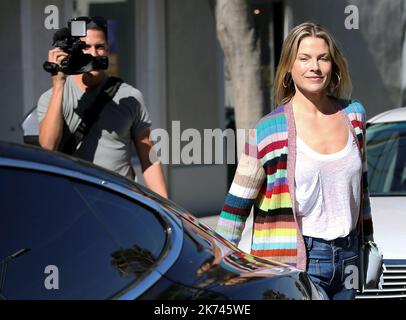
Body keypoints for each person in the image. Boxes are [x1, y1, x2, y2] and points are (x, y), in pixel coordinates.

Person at [216, 22, 374, 300]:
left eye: (322, 58)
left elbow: (361, 192)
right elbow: (235, 208)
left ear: (333, 66)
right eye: (304, 58)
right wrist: (222, 270)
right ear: (289, 66)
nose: (314, 66)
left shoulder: (354, 116)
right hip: (297, 262)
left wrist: (367, 243)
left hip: (349, 259)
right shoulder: (268, 130)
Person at [37, 16, 168, 198]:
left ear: (107, 49)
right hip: (73, 201)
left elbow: (149, 160)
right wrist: (58, 84)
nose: (94, 53)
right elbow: (47, 147)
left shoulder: (130, 97)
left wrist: (166, 209)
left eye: (99, 47)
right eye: (85, 47)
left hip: (120, 202)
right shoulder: (52, 98)